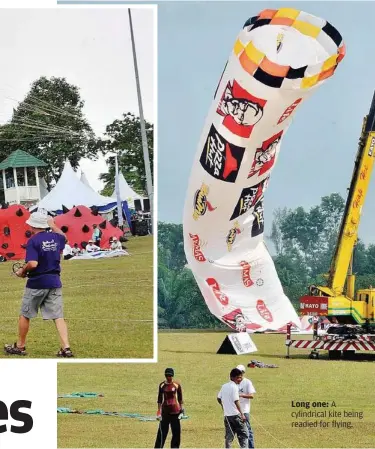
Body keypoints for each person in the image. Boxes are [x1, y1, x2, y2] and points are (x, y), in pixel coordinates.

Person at [4, 212, 73, 357]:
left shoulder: (33, 241)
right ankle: (66, 348)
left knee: (25, 314)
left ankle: (20, 346)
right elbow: (64, 238)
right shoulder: (56, 237)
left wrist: (22, 271)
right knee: (58, 316)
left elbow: (33, 263)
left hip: (37, 283)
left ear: (32, 225)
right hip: (54, 281)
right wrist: (53, 225)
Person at [217, 368, 248, 449]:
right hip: (236, 416)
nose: (240, 379)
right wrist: (242, 414)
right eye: (238, 377)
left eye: (241, 377)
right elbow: (236, 401)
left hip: (227, 416)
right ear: (232, 377)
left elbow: (218, 398)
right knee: (243, 435)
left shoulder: (224, 386)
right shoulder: (234, 387)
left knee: (229, 437)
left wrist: (224, 407)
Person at [154, 368, 184, 449]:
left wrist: (182, 410)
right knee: (162, 432)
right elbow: (159, 399)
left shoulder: (177, 385)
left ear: (172, 376)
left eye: (170, 375)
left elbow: (180, 399)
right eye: (167, 375)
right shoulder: (162, 385)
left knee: (176, 432)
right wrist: (159, 412)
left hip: (175, 412)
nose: (168, 377)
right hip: (165, 412)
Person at [236, 365, 256, 448]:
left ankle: (251, 447)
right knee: (239, 431)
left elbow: (252, 395)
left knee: (247, 430)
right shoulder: (234, 382)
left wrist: (241, 395)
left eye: (240, 372)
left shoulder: (247, 382)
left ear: (243, 373)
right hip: (235, 411)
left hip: (245, 410)